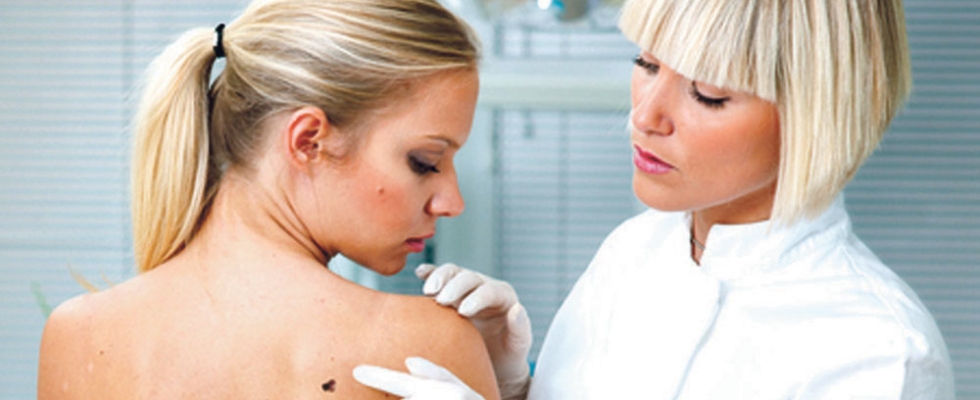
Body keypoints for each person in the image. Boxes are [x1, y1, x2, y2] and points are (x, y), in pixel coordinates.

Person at [354, 0, 957, 398]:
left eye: (708, 94)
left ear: (817, 115)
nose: (645, 116)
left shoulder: (879, 354)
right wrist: (508, 383)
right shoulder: (635, 249)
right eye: (645, 63)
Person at [36, 0, 500, 399]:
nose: (452, 202)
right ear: (308, 141)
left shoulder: (80, 336)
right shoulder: (425, 348)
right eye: (425, 161)